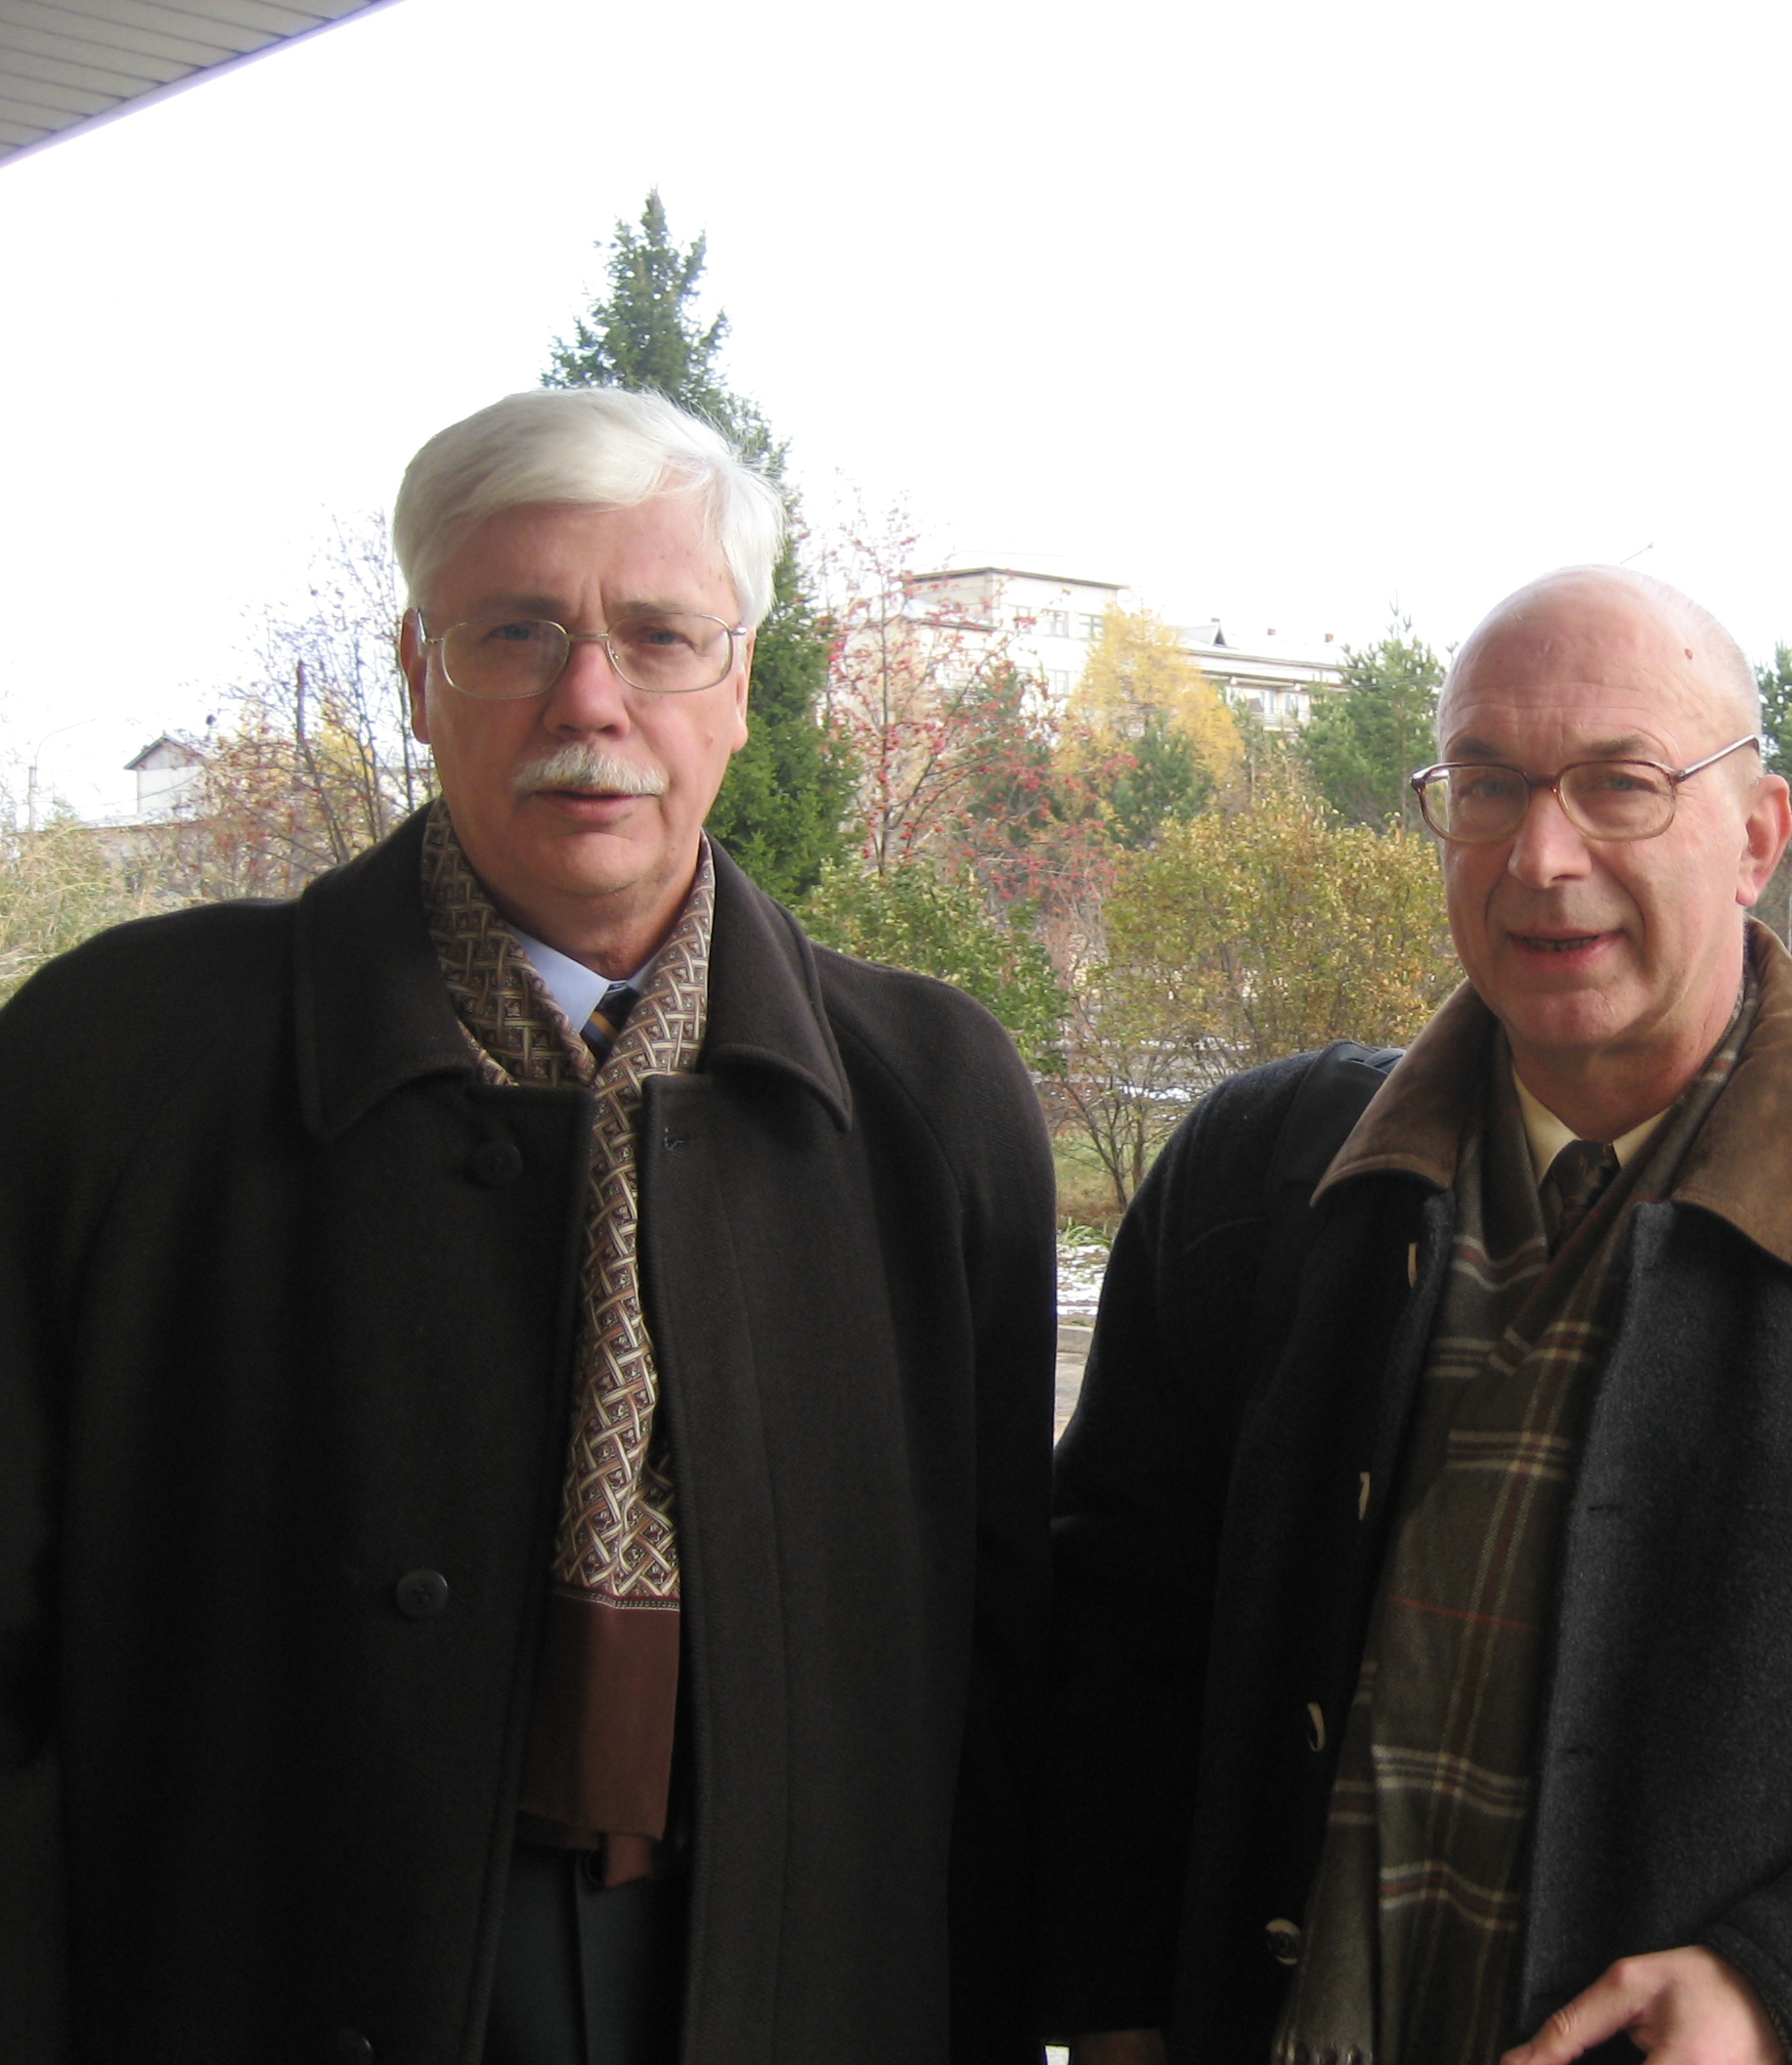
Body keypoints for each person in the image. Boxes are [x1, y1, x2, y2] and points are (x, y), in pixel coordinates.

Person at [1042, 565, 1792, 2065]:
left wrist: (1790, 1992)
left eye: (1621, 785)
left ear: (1758, 838)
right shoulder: (1259, 1185)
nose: (1543, 857)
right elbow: (1115, 1635)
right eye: (1487, 785)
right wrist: (1116, 2009)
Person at [0, 389, 1053, 2063]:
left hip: (783, 1985)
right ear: (417, 675)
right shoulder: (118, 1069)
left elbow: (999, 1686)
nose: (590, 700)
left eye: (659, 636)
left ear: (743, 686)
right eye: (517, 631)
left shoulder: (930, 1105)